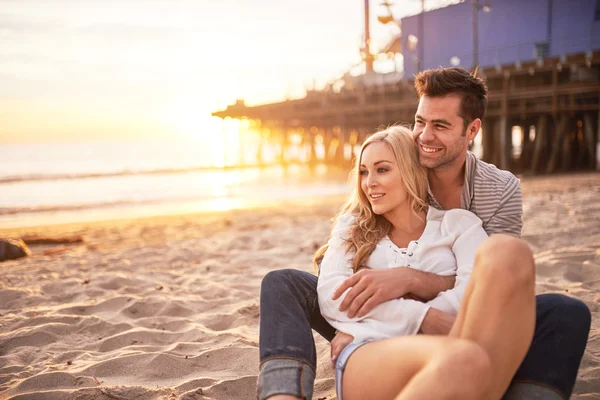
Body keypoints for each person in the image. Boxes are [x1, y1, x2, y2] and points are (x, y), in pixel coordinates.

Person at [257, 67, 591, 400]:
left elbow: (495, 283)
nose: (424, 137)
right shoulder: (377, 195)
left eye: (441, 125)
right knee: (284, 282)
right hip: (376, 322)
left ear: (472, 129)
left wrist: (410, 280)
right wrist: (369, 323)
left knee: (563, 309)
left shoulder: (487, 199)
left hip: (456, 319)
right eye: (420, 122)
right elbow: (336, 280)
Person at [316, 125, 534, 399]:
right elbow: (333, 296)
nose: (369, 182)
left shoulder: (458, 225)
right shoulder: (352, 227)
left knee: (509, 251)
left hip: (455, 343)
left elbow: (473, 294)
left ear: (411, 171)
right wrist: (422, 318)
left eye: (382, 170)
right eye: (363, 171)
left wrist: (408, 295)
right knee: (465, 359)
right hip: (371, 350)